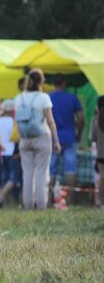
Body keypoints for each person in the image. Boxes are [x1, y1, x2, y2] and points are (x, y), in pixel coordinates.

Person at [15, 69, 61, 210]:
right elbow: (50, 120)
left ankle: (28, 206)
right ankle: (41, 206)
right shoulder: (43, 97)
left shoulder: (19, 97)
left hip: (25, 139)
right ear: (42, 82)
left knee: (27, 173)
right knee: (42, 172)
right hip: (42, 137)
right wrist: (56, 140)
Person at [49, 74, 84, 205]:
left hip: (53, 138)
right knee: (70, 170)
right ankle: (68, 202)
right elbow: (80, 119)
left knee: (50, 170)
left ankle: (47, 200)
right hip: (70, 137)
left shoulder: (48, 97)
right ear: (64, 83)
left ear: (53, 83)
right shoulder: (72, 98)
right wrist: (79, 133)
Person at [0, 99, 20, 203]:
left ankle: (8, 200)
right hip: (12, 152)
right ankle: (1, 197)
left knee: (4, 177)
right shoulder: (14, 122)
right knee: (14, 178)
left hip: (1, 152)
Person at [91, 97, 104, 209]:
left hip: (101, 153)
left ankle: (100, 202)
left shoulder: (95, 120)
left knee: (102, 178)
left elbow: (93, 138)